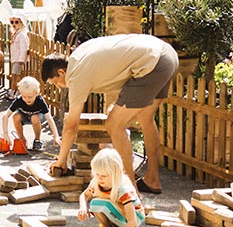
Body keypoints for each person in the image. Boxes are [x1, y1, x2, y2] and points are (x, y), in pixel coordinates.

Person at [41, 33, 179, 192]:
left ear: (61, 72)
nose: (59, 87)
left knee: (114, 124)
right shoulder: (79, 54)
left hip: (151, 64)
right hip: (166, 55)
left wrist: (61, 161)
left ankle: (129, 190)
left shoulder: (76, 75)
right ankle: (152, 180)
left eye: (55, 82)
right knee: (146, 118)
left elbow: (71, 127)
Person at [76, 148, 145, 227]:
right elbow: (84, 195)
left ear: (115, 174)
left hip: (133, 217)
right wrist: (83, 208)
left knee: (102, 204)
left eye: (104, 175)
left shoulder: (123, 188)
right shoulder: (97, 181)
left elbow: (132, 221)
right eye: (97, 174)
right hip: (116, 211)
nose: (99, 178)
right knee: (95, 203)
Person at [2, 77, 61, 152]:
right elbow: (5, 115)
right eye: (24, 97)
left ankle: (37, 140)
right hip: (24, 117)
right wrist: (5, 133)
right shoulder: (19, 100)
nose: (27, 99)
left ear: (36, 93)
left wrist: (56, 136)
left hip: (38, 117)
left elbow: (49, 118)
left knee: (35, 117)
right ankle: (22, 139)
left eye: (30, 97)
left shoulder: (40, 101)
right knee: (16, 116)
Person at [8, 11, 29, 100]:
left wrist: (21, 59)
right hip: (15, 58)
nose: (14, 24)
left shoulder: (22, 35)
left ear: (22, 23)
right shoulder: (16, 34)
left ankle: (14, 92)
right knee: (15, 76)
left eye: (16, 22)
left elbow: (23, 48)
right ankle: (16, 91)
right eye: (12, 22)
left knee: (16, 76)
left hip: (18, 59)